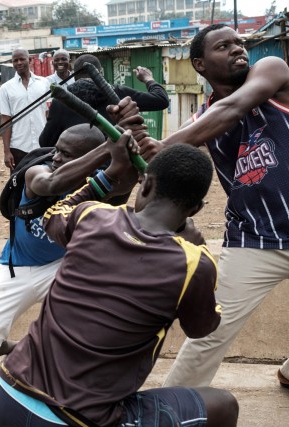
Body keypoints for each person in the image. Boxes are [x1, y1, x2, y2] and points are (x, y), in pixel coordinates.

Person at [0, 136, 239, 427]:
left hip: (1, 394)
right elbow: (202, 328)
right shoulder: (194, 263)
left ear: (147, 184)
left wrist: (109, 173)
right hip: (80, 418)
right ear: (197, 209)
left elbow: (54, 212)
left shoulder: (93, 216)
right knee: (224, 405)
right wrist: (199, 247)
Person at [128, 24, 289, 390]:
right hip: (255, 238)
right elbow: (176, 152)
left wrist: (165, 144)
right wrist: (137, 143)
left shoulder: (272, 71)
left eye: (239, 42)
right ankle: (171, 407)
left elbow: (232, 109)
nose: (237, 49)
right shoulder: (201, 119)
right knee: (211, 334)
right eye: (223, 46)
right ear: (200, 64)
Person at [0, 124, 110, 362]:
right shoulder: (37, 173)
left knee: (99, 325)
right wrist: (108, 148)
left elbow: (124, 177)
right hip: (15, 268)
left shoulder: (96, 184)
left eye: (66, 154)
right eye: (57, 149)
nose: (55, 156)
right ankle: (35, 347)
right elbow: (52, 183)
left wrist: (124, 148)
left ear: (87, 160)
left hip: (61, 268)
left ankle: (66, 352)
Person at [39, 54, 169, 148]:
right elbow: (161, 100)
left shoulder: (61, 101)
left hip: (75, 170)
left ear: (75, 74)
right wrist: (148, 79)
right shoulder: (119, 93)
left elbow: (45, 142)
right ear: (101, 72)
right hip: (114, 170)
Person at [0, 48, 50, 171]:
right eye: (15, 60)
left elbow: (48, 114)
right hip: (19, 147)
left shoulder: (44, 83)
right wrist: (6, 151)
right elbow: (6, 120)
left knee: (44, 182)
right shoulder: (6, 88)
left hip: (42, 145)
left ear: (30, 60)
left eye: (22, 59)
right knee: (19, 184)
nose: (19, 63)